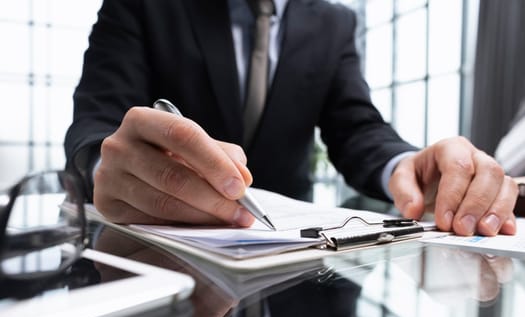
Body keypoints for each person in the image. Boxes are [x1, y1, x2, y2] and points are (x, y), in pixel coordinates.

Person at [65, 0, 518, 237]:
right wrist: (109, 168)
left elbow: (356, 127)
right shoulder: (144, 5)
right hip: (164, 261)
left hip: (298, 276)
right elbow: (96, 123)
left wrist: (406, 166)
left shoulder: (334, 23)